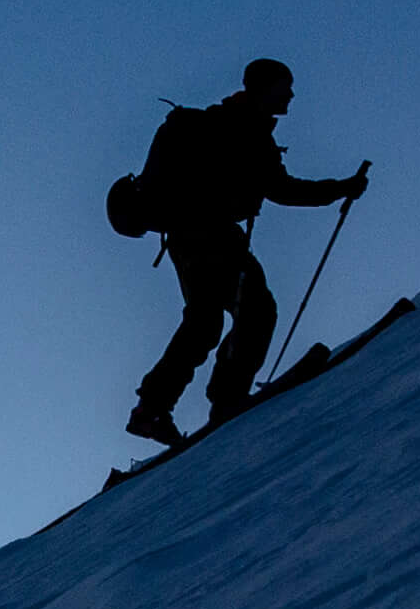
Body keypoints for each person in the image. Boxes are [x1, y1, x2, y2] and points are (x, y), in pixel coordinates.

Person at [131, 56, 366, 447]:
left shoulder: (227, 122)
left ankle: (150, 410)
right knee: (256, 309)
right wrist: (340, 188)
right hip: (212, 235)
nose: (291, 94)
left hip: (185, 235)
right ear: (264, 87)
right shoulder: (245, 128)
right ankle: (226, 399)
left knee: (204, 321)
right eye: (284, 86)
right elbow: (282, 190)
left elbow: (274, 188)